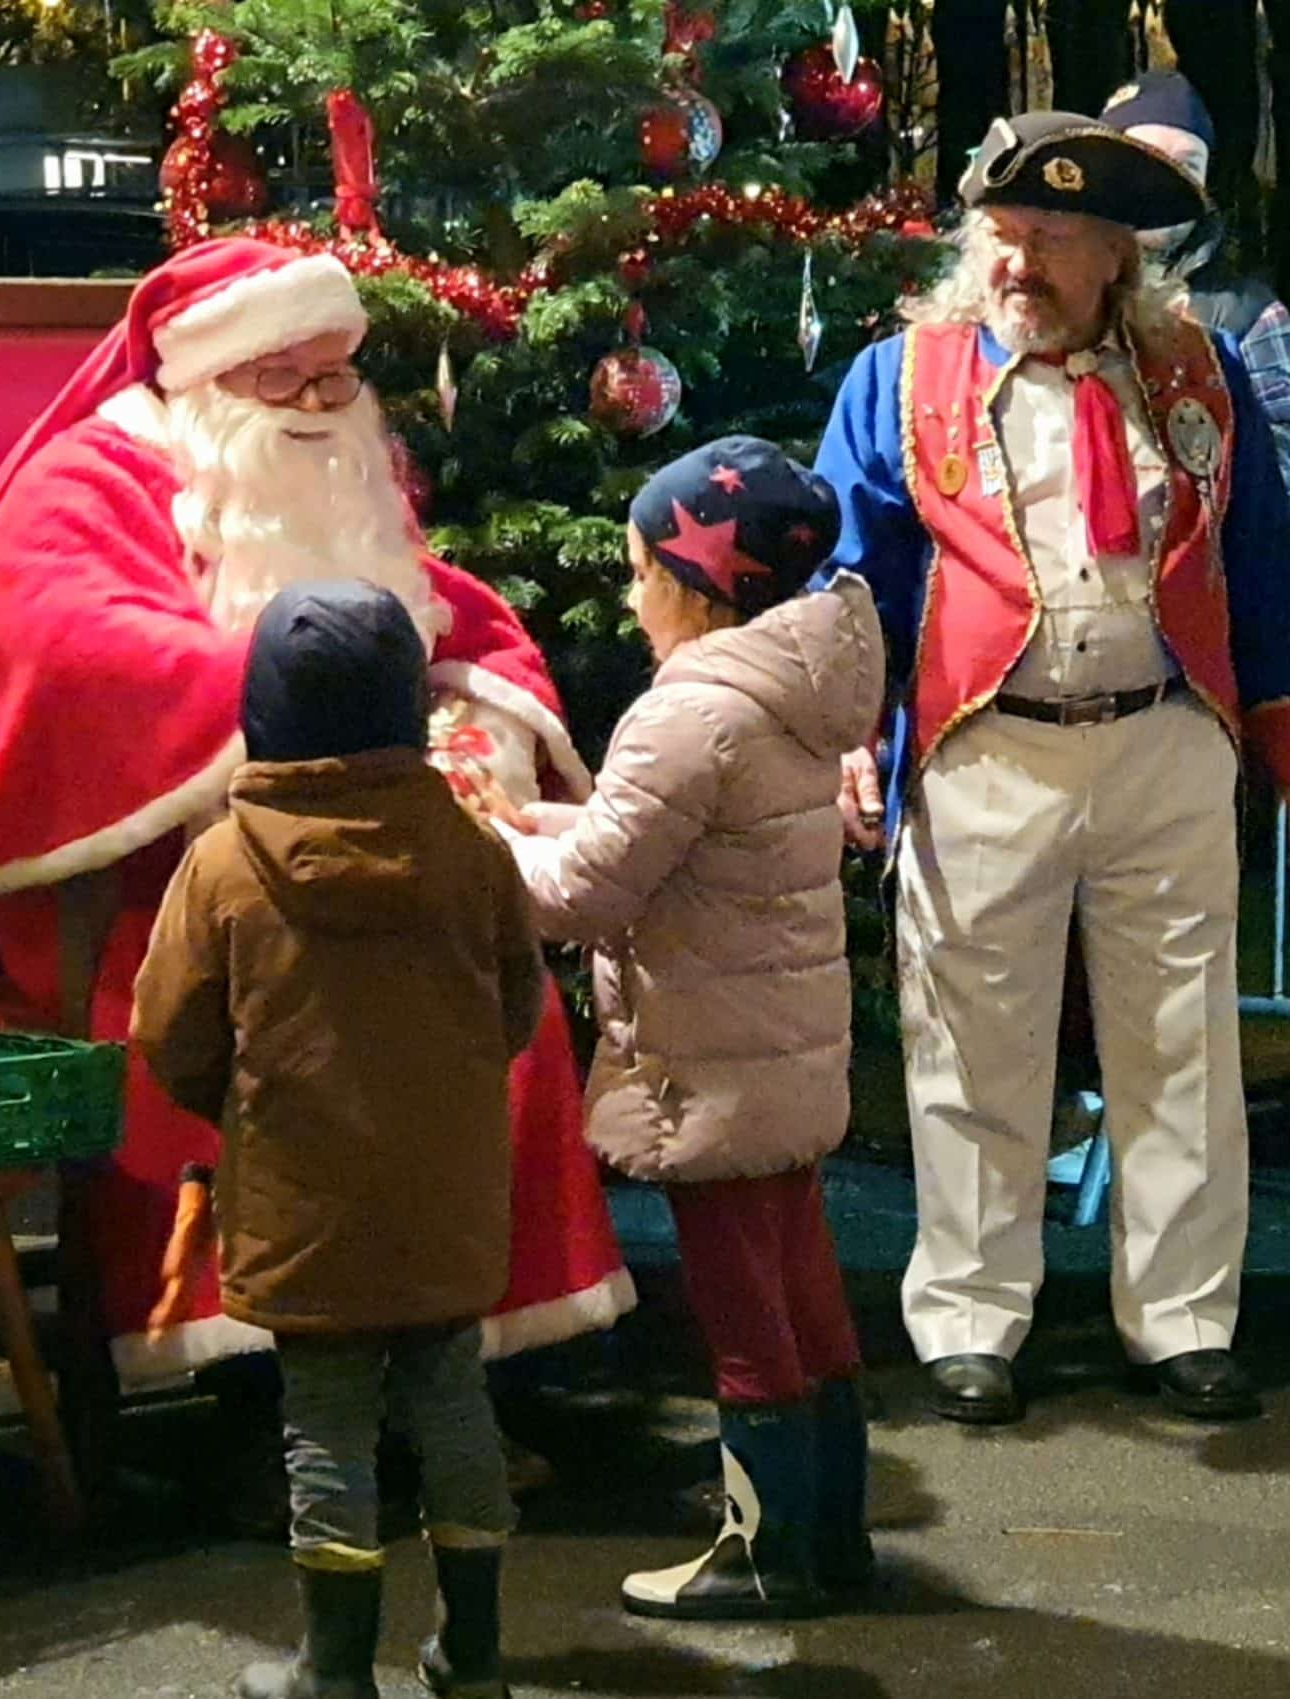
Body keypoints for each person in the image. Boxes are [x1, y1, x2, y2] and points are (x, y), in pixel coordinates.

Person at [0, 239, 633, 1440]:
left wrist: (466, 729)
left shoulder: (342, 462)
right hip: (158, 888)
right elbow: (76, 650)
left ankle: (466, 1351)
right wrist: (320, 702)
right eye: (282, 379)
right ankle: (267, 1377)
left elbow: (437, 610)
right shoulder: (87, 479)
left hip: (362, 858)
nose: (319, 406)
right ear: (207, 379)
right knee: (251, 1032)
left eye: (338, 377)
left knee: (501, 1015)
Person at [816, 112, 1290, 1426]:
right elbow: (852, 578)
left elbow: (1263, 569)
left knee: (1181, 1045)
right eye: (1004, 237)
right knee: (969, 1049)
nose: (1021, 264)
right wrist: (848, 727)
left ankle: (1182, 1319)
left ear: (1118, 252)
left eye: (1054, 241)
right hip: (982, 747)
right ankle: (968, 1317)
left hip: (1166, 738)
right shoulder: (898, 378)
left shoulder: (1204, 374)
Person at [500, 439, 883, 1619]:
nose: (626, 595)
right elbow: (679, 842)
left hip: (710, 1060)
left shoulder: (686, 714)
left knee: (739, 1312)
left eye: (637, 569)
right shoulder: (790, 692)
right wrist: (547, 815)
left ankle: (761, 1557)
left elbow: (583, 895)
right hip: (782, 1045)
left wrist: (481, 845)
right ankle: (832, 1536)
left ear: (695, 579)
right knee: (803, 1284)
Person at [133, 580, 535, 1699]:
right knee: (456, 1404)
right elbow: (517, 1006)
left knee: (327, 1430)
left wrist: (246, 1109)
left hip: (305, 1193)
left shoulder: (222, 864)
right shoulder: (466, 849)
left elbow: (168, 1032)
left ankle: (336, 1668)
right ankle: (475, 1655)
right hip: (445, 1186)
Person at [1100, 70, 1290, 497]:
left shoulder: (1246, 312)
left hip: (1199, 555)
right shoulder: (1053, 288)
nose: (1169, 178)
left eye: (1189, 164)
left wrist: (1213, 494)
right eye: (1150, 156)